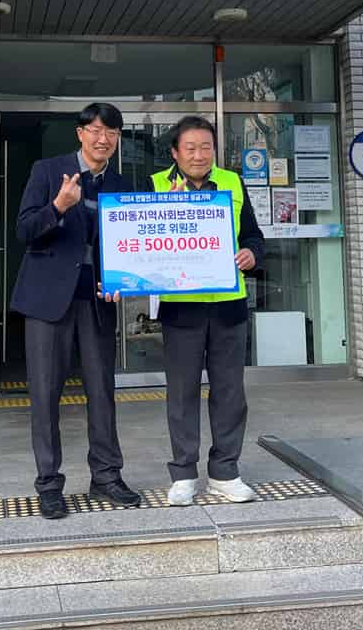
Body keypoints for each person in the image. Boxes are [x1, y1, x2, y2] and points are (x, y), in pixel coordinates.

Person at [11, 102, 141, 519]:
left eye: (112, 133)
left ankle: (106, 476)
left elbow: (130, 243)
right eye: (96, 130)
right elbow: (24, 230)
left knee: (102, 390)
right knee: (45, 392)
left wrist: (124, 281)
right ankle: (49, 484)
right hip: (46, 299)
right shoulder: (49, 171)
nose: (104, 139)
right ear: (80, 133)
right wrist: (58, 206)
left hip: (97, 299)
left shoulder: (119, 184)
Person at [148, 116, 265, 506]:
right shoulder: (156, 186)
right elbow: (142, 241)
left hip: (228, 306)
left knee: (230, 392)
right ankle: (184, 474)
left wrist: (251, 253)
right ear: (175, 152)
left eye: (206, 147)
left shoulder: (232, 182)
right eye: (191, 148)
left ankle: (225, 472)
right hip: (181, 309)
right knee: (182, 393)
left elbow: (253, 235)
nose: (199, 155)